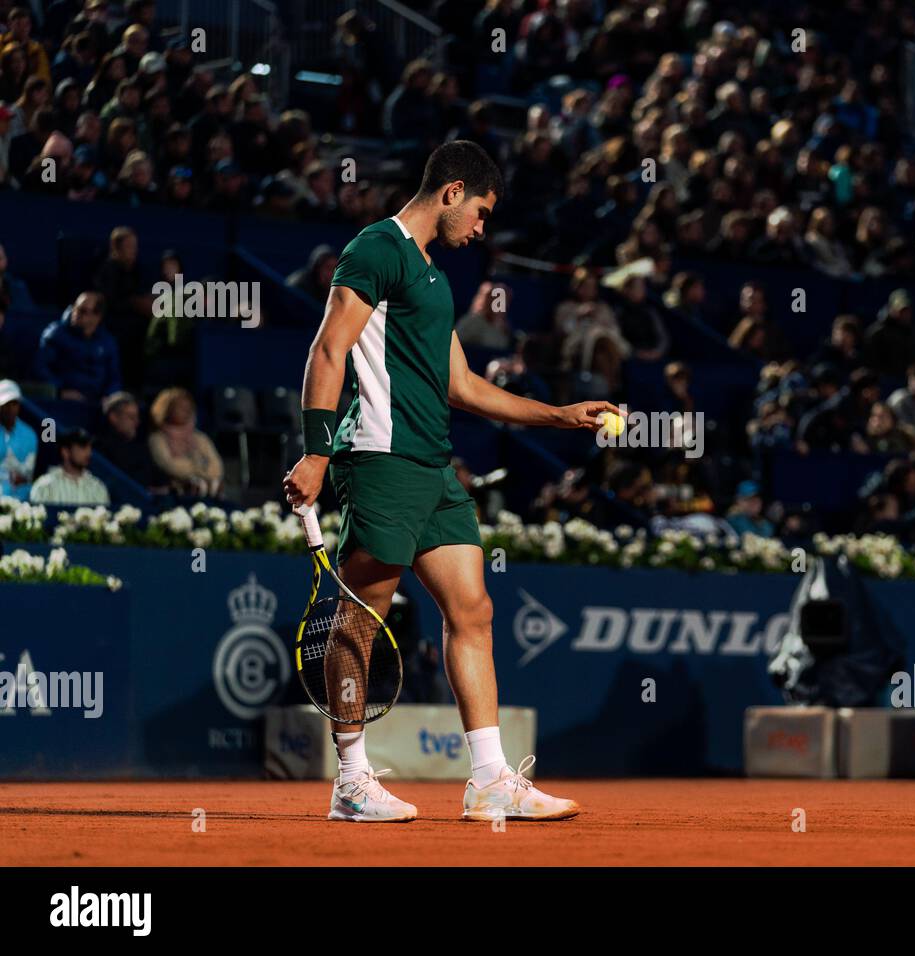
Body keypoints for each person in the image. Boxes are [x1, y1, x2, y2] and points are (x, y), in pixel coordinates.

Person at [282, 141, 614, 824]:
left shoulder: (433, 280)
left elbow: (461, 386)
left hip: (433, 467)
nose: (482, 229)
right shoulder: (376, 249)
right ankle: (351, 781)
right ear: (454, 191)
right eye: (483, 214)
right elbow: (328, 348)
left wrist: (561, 416)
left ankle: (490, 780)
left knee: (474, 611)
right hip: (379, 458)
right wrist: (315, 454)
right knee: (359, 618)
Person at [147, 387, 223, 496]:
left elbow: (217, 468)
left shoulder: (200, 438)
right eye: (180, 407)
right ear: (167, 409)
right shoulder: (157, 438)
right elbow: (170, 466)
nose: (186, 410)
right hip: (173, 491)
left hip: (204, 487)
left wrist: (204, 477)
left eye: (189, 407)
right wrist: (199, 469)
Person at [29, 428, 111, 505]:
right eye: (82, 446)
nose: (88, 452)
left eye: (90, 447)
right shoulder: (45, 486)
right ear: (65, 452)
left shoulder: (98, 487)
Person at [0, 378, 37, 500]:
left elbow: (27, 475)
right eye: (6, 404)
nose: (10, 409)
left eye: (14, 403)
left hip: (22, 500)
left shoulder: (30, 435)